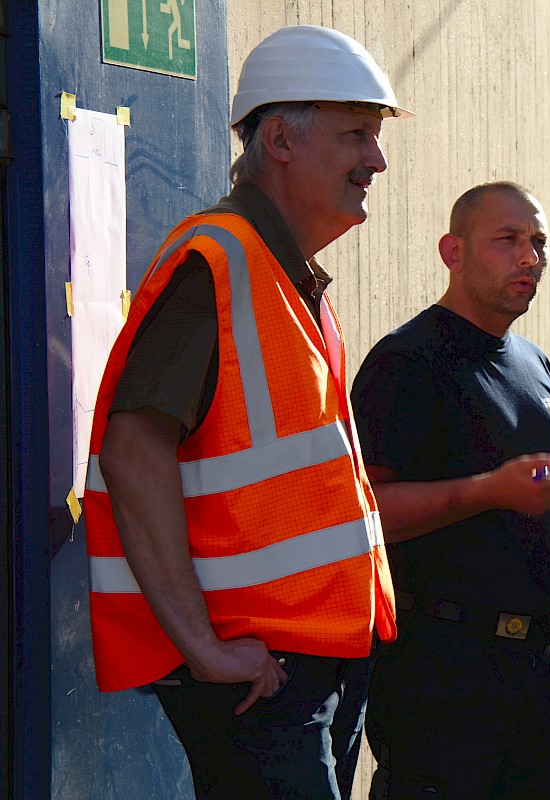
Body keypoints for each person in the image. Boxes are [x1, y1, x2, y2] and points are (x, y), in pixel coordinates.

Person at [84, 25, 411, 799]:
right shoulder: (217, 263)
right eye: (357, 135)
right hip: (255, 672)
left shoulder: (281, 276)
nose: (377, 160)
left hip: (301, 661)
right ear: (280, 140)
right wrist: (202, 644)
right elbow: (133, 451)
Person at [351, 181, 550, 799]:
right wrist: (491, 491)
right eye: (507, 240)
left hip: (533, 675)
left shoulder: (534, 365)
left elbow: (536, 535)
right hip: (440, 678)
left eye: (539, 242)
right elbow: (363, 515)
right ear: (452, 251)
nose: (529, 257)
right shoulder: (405, 362)